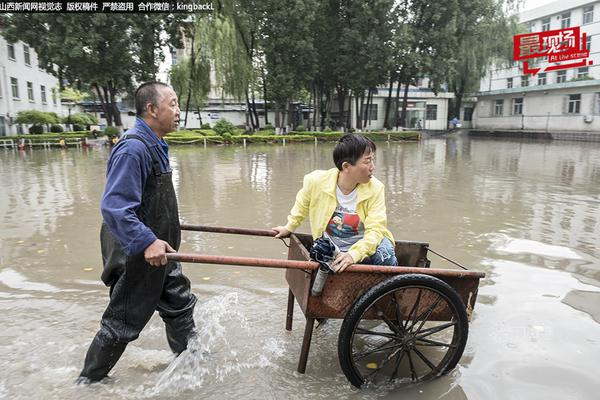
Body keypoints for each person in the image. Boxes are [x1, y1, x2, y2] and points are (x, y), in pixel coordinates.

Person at [77, 82, 197, 384]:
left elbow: (150, 202)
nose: (178, 111)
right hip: (137, 251)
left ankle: (192, 363)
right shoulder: (133, 148)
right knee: (123, 321)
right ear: (152, 109)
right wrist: (146, 242)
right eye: (172, 104)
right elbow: (115, 207)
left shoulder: (155, 143)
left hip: (160, 250)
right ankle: (89, 382)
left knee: (179, 305)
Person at [272, 134, 397, 274]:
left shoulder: (375, 188)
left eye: (372, 160)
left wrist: (353, 255)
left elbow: (376, 229)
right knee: (320, 256)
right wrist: (289, 227)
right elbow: (302, 206)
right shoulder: (315, 181)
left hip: (367, 246)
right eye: (367, 161)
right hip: (335, 247)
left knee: (385, 257)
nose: (372, 167)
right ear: (346, 166)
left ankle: (387, 293)